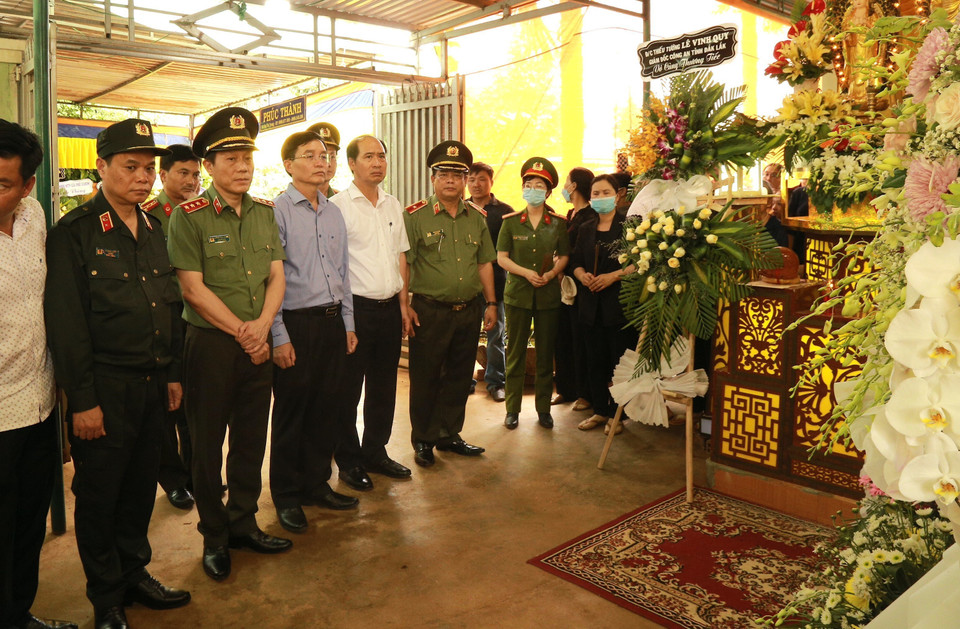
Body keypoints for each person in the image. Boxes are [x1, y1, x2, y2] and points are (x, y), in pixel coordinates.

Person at [45, 119, 190, 629]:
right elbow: (67, 324)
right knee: (100, 494)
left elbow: (167, 307)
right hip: (104, 388)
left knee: (137, 489)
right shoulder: (76, 233)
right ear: (101, 167)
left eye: (148, 169)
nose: (142, 178)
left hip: (152, 384)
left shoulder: (153, 228)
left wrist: (171, 374)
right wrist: (81, 401)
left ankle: (135, 575)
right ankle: (106, 597)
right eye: (130, 167)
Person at [167, 107, 291, 582]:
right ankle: (214, 536)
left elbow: (276, 276)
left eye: (247, 157)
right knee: (205, 445)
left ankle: (243, 523)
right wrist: (245, 332)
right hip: (212, 346)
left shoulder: (264, 212)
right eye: (231, 158)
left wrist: (262, 325)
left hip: (256, 342)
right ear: (210, 166)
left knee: (250, 438)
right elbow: (193, 289)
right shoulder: (188, 216)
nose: (242, 166)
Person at [0, 121, 77, 629]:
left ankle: (17, 615)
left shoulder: (34, 215)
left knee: (26, 525)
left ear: (28, 185)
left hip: (37, 401)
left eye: (4, 184)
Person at [269, 130, 358, 533]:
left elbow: (343, 273)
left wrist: (349, 324)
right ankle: (286, 495)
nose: (321, 162)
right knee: (292, 412)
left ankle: (316, 483)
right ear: (289, 165)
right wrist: (278, 334)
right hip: (296, 324)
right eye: (310, 155)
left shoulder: (334, 211)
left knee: (328, 408)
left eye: (324, 155)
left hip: (331, 322)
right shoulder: (277, 212)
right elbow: (270, 282)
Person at [403, 140, 497, 467]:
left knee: (459, 376)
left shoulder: (476, 217)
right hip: (429, 310)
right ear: (433, 178)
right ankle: (424, 440)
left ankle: (449, 434)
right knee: (426, 377)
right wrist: (405, 304)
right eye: (443, 173)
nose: (450, 180)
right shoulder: (415, 216)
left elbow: (485, 262)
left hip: (468, 309)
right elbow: (406, 263)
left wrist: (491, 303)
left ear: (464, 180)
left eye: (457, 175)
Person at [330, 135, 413, 492]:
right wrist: (346, 319)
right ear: (352, 163)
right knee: (347, 390)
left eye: (381, 156)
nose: (377, 162)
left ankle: (375, 451)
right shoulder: (337, 207)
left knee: (384, 386)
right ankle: (348, 461)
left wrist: (404, 304)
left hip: (389, 310)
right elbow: (333, 267)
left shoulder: (394, 205)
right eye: (368, 157)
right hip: (355, 311)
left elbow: (401, 257)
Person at [141, 144, 201, 511]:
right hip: (163, 321)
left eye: (196, 174)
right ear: (163, 176)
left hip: (196, 320)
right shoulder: (149, 215)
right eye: (183, 173)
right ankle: (174, 480)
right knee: (167, 405)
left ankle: (197, 472)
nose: (192, 181)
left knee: (196, 403)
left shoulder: (202, 214)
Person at [496, 157, 569, 429]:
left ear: (548, 192)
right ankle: (512, 409)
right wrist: (526, 273)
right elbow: (502, 258)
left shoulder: (558, 223)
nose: (533, 189)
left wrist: (551, 274)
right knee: (514, 353)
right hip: (517, 295)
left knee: (544, 353)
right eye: (529, 184)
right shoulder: (511, 222)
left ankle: (543, 409)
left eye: (539, 185)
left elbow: (563, 256)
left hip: (548, 297)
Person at [570, 174, 638, 435]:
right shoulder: (585, 227)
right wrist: (581, 275)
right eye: (595, 193)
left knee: (618, 363)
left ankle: (617, 415)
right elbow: (575, 261)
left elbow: (641, 261)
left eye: (605, 192)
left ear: (618, 194)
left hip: (618, 305)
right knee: (594, 360)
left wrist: (613, 276)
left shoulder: (630, 226)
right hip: (589, 305)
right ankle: (599, 410)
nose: (600, 197)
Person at [467, 161, 514, 403]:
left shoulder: (504, 212)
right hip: (465, 284)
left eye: (481, 179)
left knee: (496, 334)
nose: (476, 184)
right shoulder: (460, 208)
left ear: (491, 182)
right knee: (466, 334)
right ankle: (466, 380)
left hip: (496, 284)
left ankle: (496, 382)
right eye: (472, 179)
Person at [553, 167, 595, 411]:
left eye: (567, 182)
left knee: (580, 340)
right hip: (562, 285)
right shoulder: (570, 214)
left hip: (579, 285)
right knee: (563, 338)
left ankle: (585, 393)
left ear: (574, 186)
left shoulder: (590, 216)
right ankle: (565, 389)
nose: (565, 187)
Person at [307, 121, 340, 198]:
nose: (329, 164)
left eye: (332, 157)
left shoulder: (342, 200)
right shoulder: (287, 203)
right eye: (323, 157)